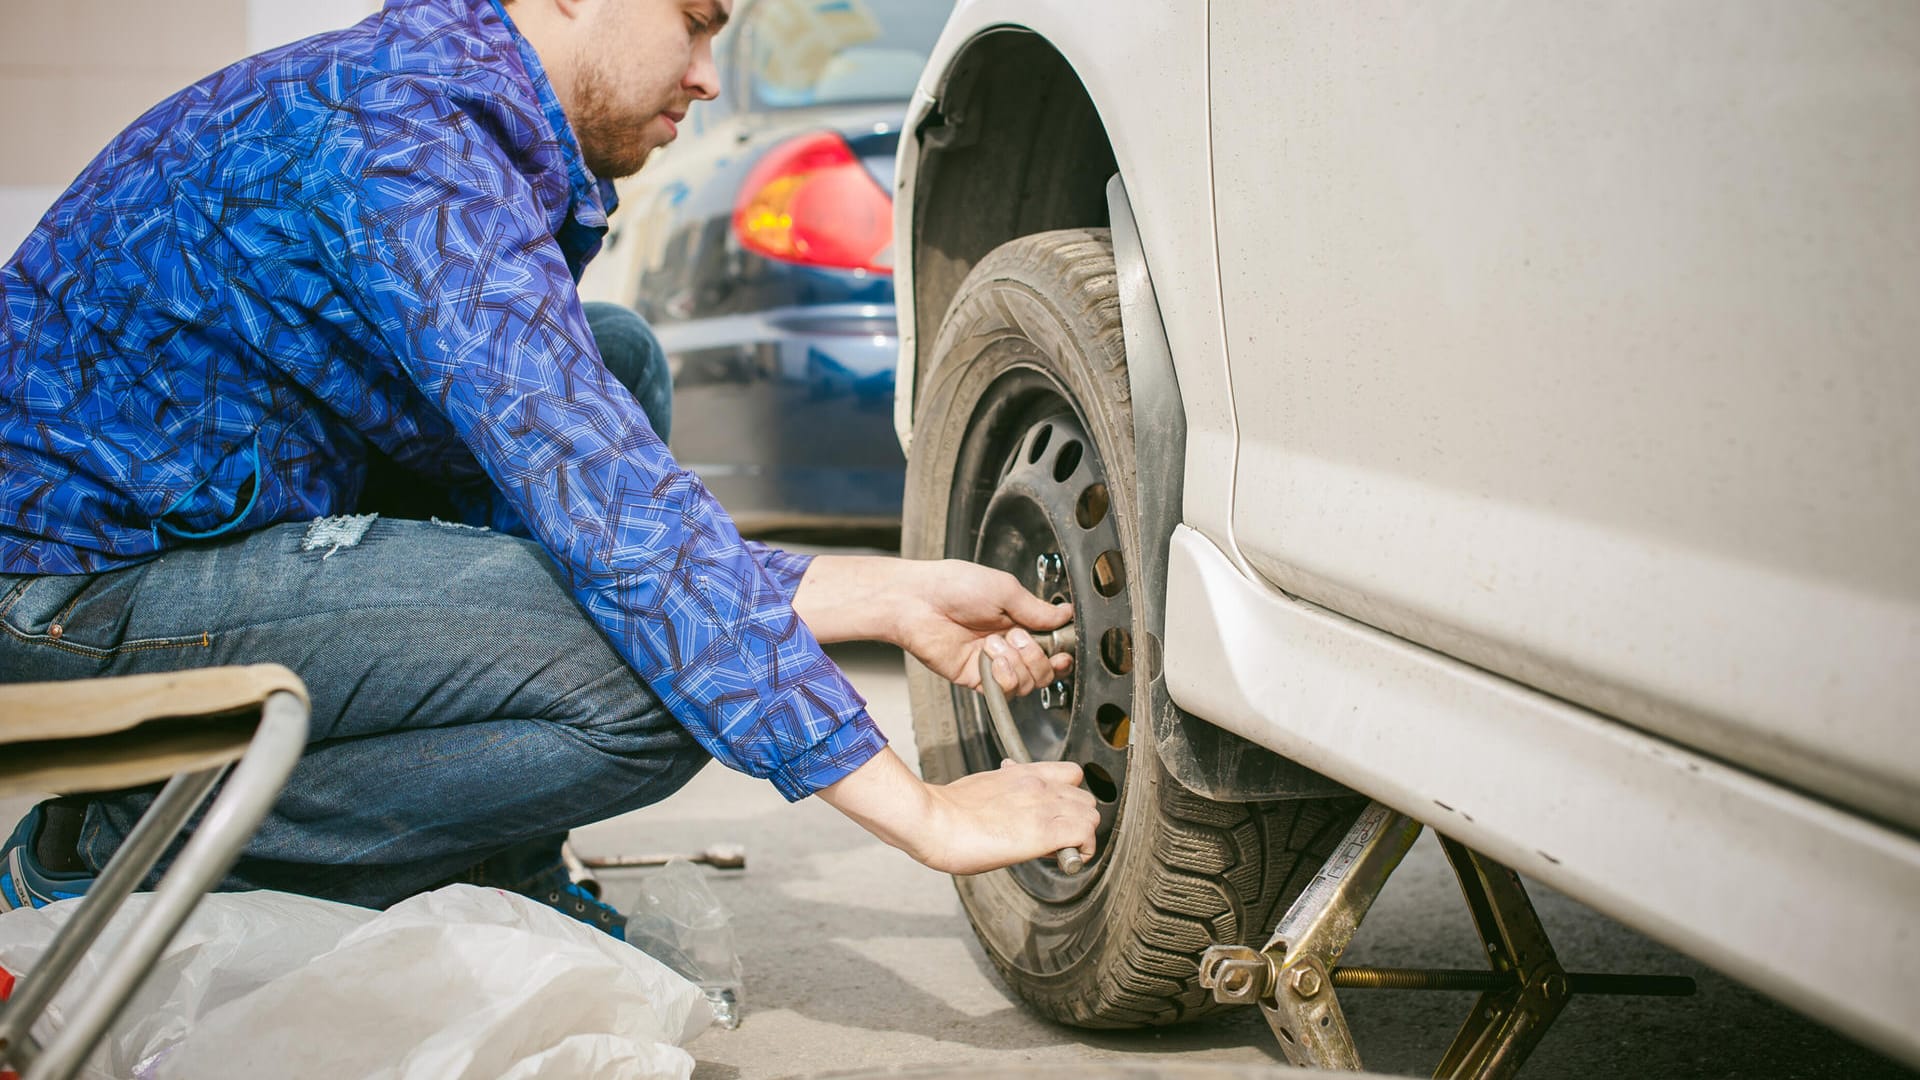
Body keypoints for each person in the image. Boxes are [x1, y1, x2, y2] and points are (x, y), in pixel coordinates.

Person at [0, 0, 1097, 937]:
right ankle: (116, 844)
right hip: (62, 591)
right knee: (656, 691)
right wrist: (928, 817)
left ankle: (496, 870)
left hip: (184, 526)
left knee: (610, 358)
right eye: (696, 20)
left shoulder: (442, 105)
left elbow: (594, 481)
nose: (709, 76)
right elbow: (617, 523)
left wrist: (889, 596)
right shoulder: (402, 141)